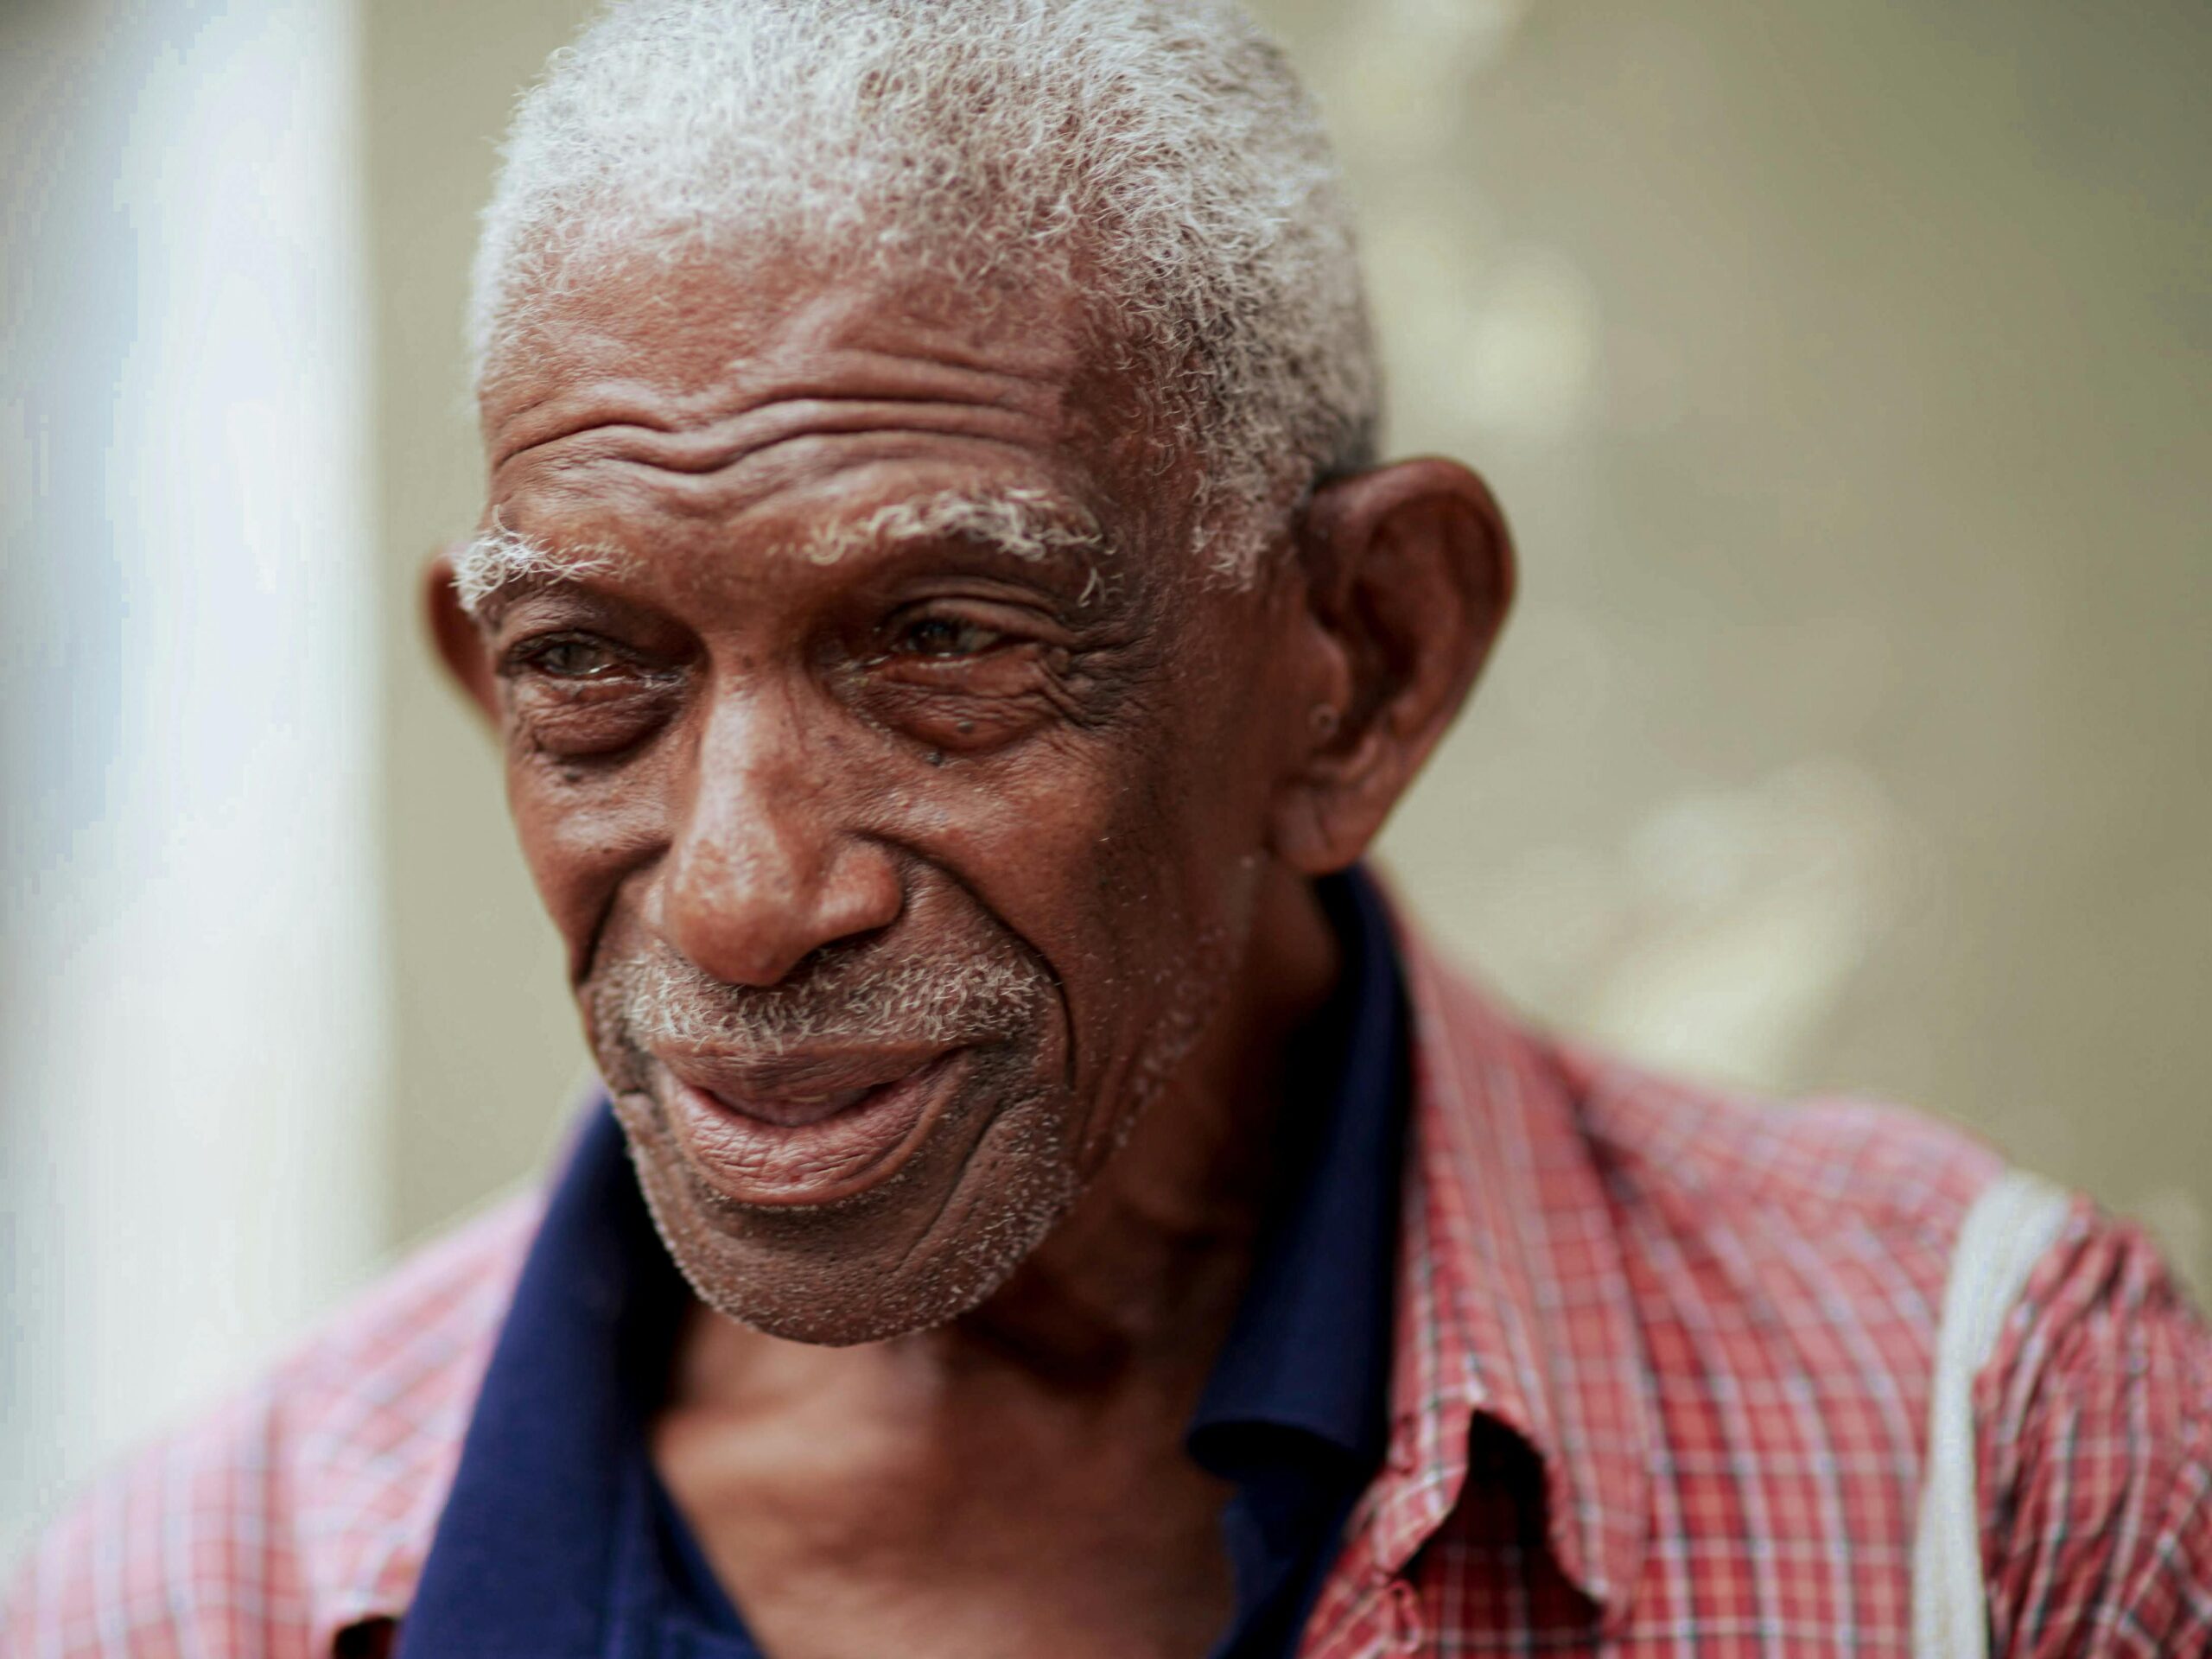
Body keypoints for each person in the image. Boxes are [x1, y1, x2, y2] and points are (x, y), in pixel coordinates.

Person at [8, 2, 2208, 1655]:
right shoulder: (202, 1589)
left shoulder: (1991, 1463)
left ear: (1360, 655)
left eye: (942, 637)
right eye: (595, 667)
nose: (746, 894)